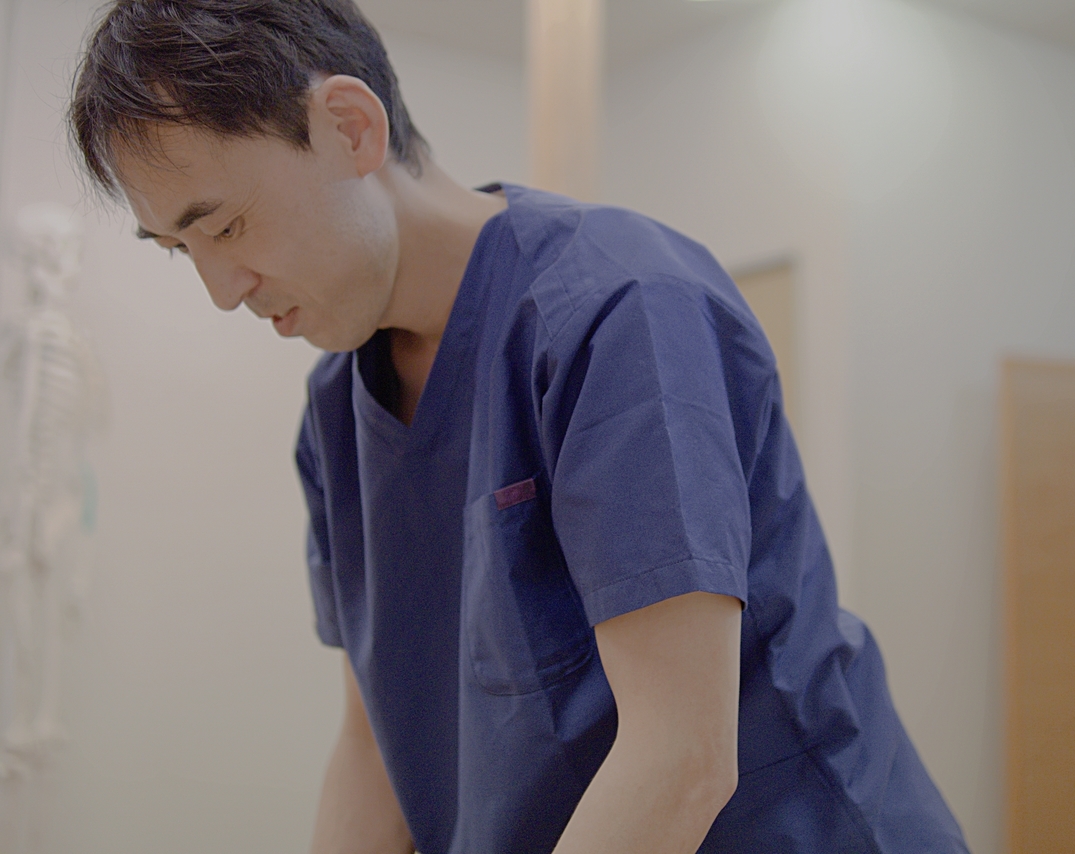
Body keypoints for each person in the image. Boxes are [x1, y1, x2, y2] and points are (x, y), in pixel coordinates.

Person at [68, 2, 969, 852]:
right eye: (182, 251)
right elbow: (374, 749)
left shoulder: (620, 311)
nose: (221, 292)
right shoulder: (339, 410)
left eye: (226, 227)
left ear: (350, 128)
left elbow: (681, 758)